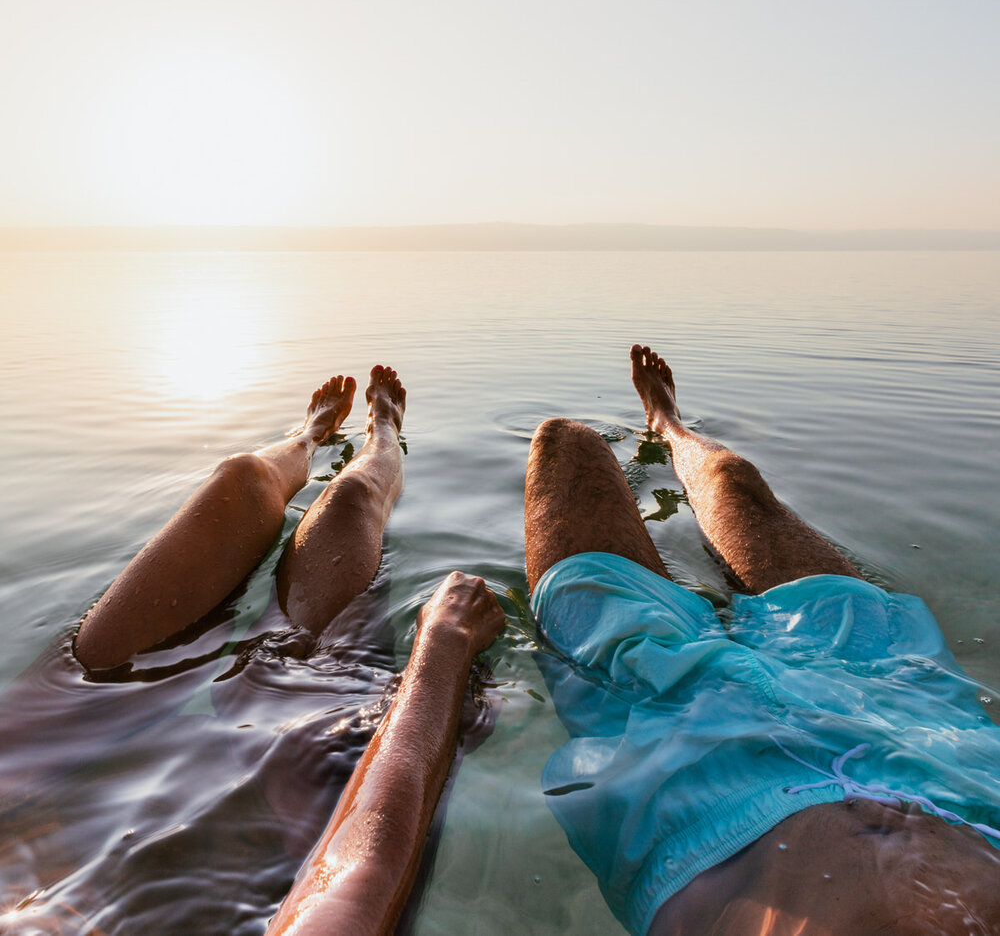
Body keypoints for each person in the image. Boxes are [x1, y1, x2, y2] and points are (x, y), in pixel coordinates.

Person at [0, 365, 505, 935]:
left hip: (41, 816)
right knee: (347, 502)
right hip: (288, 799)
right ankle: (384, 429)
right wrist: (443, 647)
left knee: (237, 482)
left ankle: (309, 436)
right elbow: (362, 877)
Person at [525, 345, 1000, 936]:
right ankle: (668, 424)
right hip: (925, 736)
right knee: (734, 481)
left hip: (692, 797)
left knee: (564, 444)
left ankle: (665, 438)